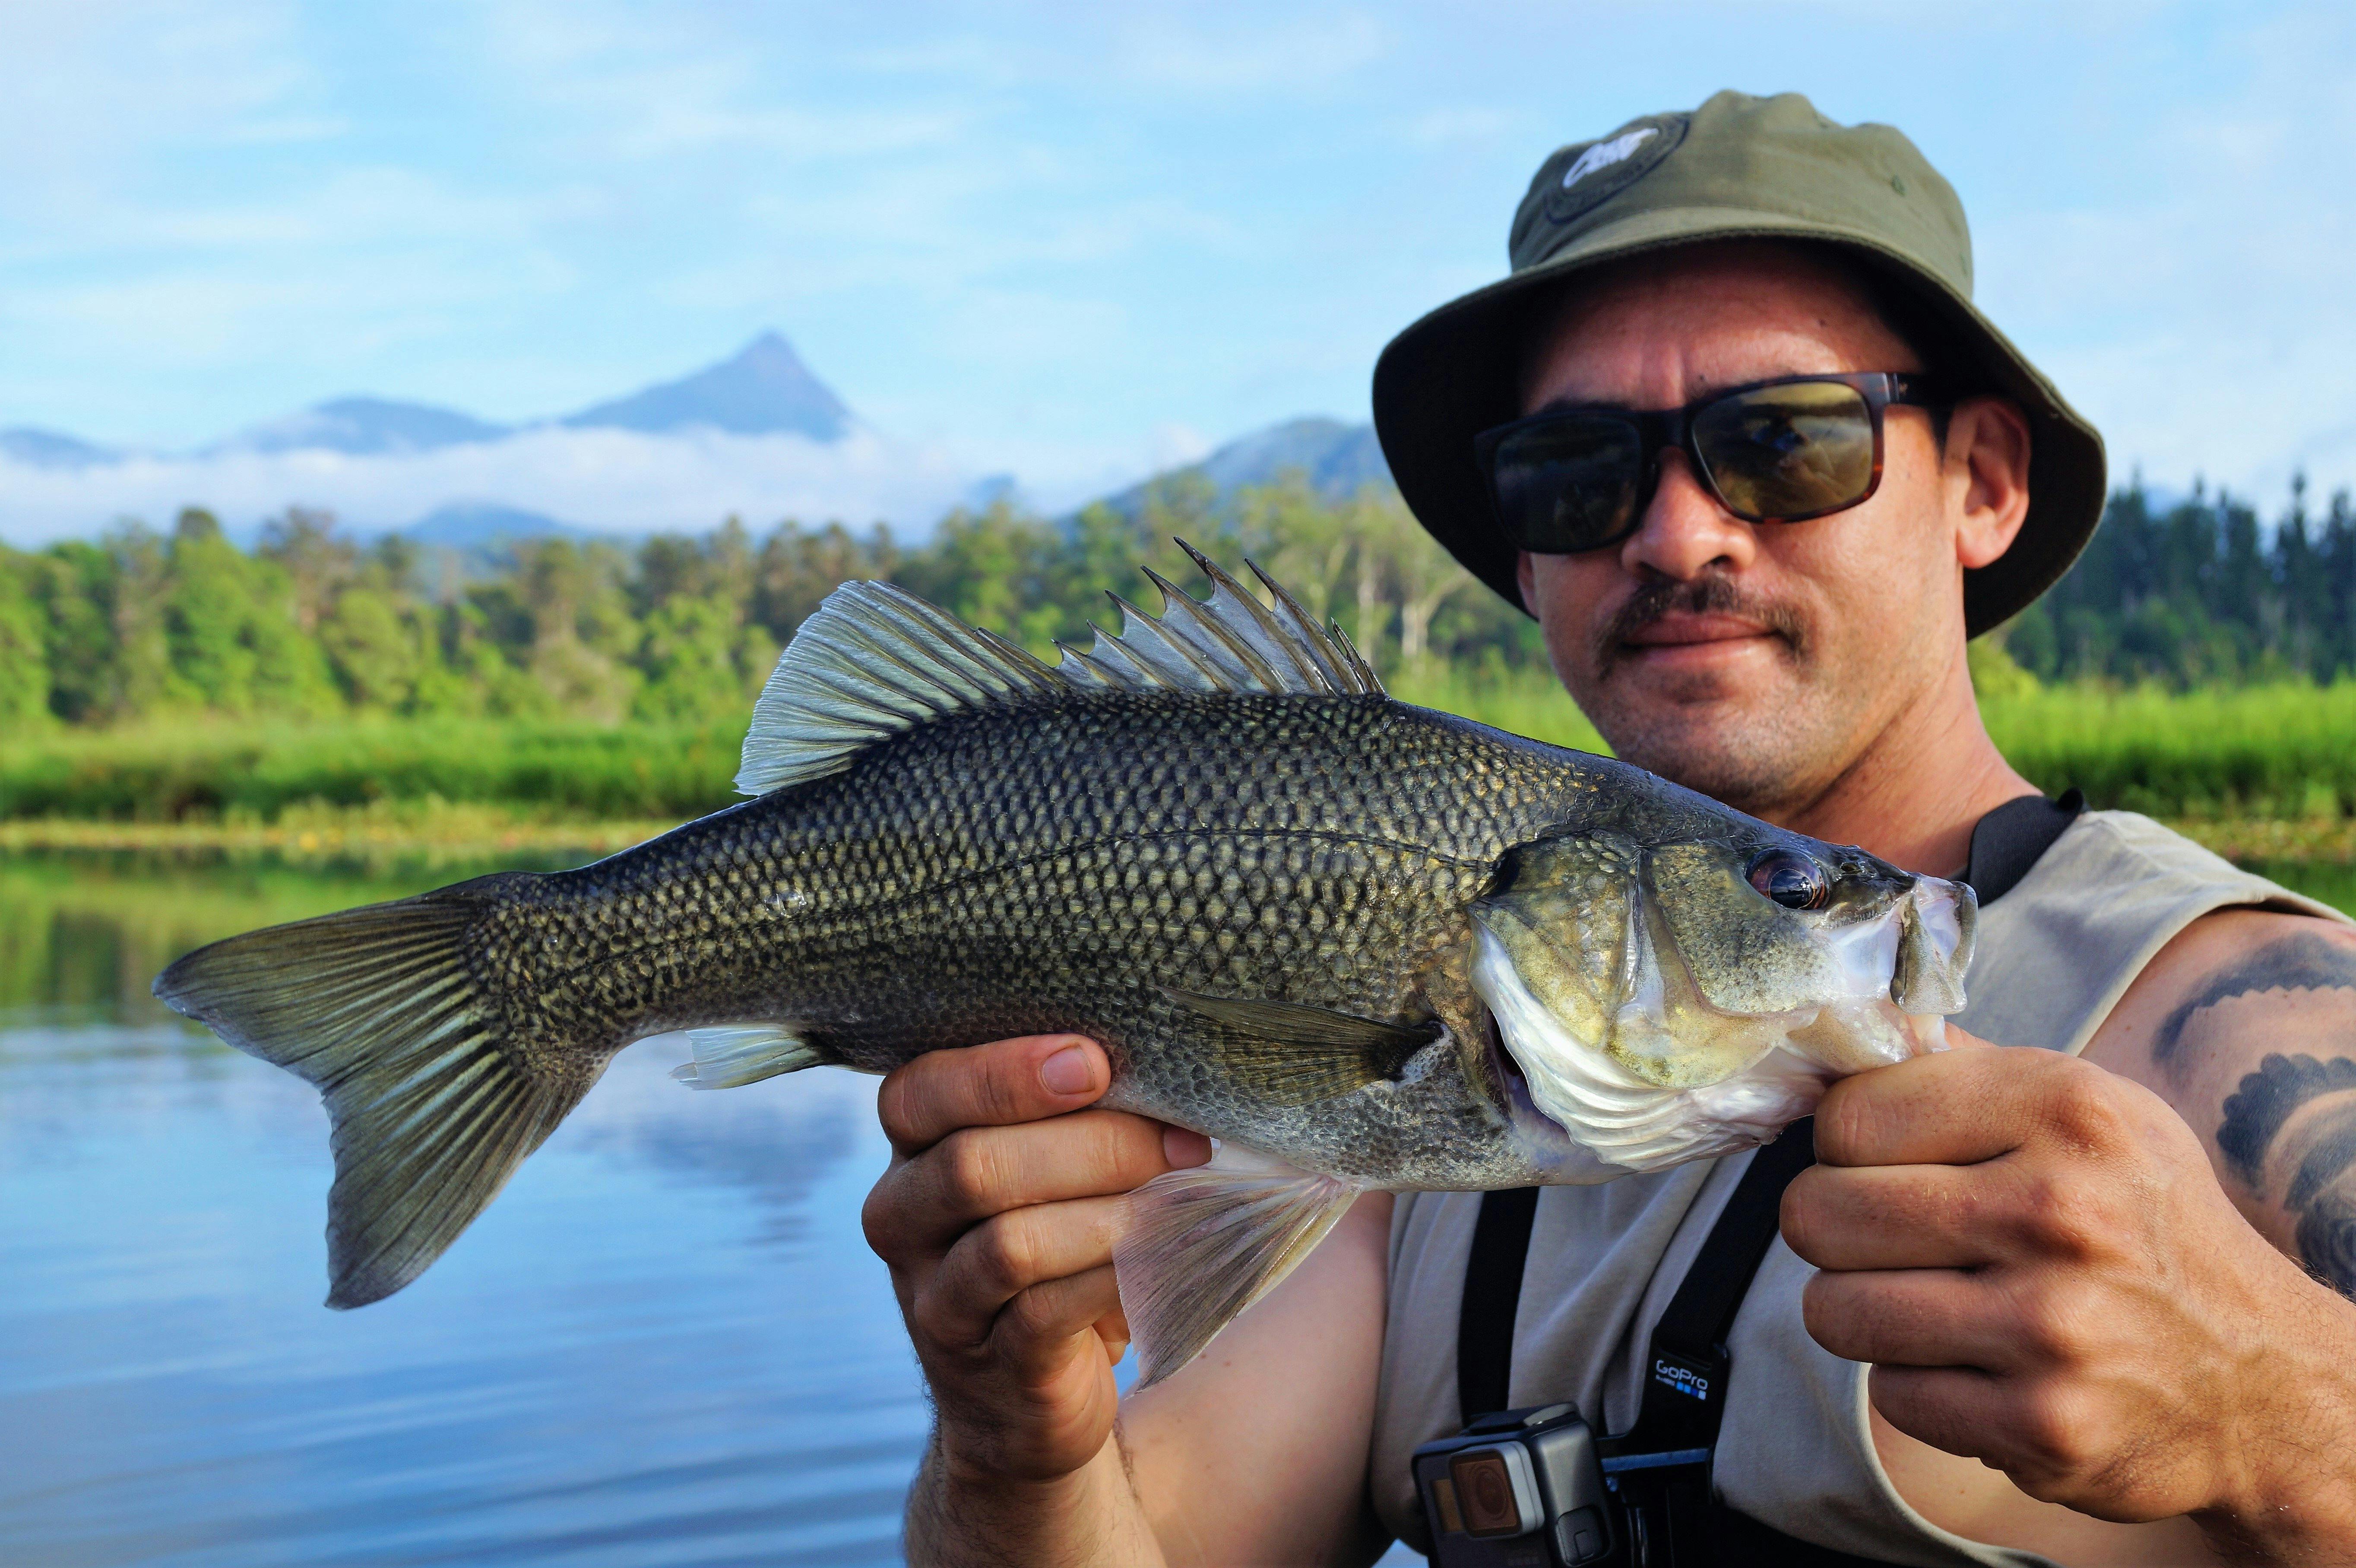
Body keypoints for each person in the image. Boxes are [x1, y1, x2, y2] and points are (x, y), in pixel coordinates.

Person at [861, 91, 2356, 1566]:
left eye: (1784, 441)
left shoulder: (2244, 1027)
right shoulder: (1397, 1141)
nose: (1677, 531)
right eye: (1576, 472)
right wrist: (1013, 1439)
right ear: (1524, 553)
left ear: (1985, 484)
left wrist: (2277, 1411)